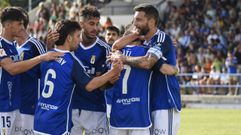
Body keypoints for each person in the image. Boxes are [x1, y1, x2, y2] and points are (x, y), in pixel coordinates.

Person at [33, 20, 122, 135]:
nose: (80, 40)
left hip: (39, 120)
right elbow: (90, 85)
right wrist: (113, 71)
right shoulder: (72, 61)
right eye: (77, 36)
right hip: (58, 124)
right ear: (69, 38)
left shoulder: (45, 57)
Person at [110, 4, 181, 135]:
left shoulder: (161, 38)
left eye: (138, 20)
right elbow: (116, 45)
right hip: (148, 103)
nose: (134, 23)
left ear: (152, 22)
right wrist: (135, 35)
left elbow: (148, 63)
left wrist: (123, 58)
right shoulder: (145, 43)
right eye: (134, 20)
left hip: (164, 102)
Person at [0, 7, 62, 135]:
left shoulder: (12, 45)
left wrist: (48, 47)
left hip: (16, 106)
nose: (22, 27)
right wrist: (41, 57)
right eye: (19, 24)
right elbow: (11, 69)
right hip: (3, 107)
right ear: (7, 25)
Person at [71, 5, 112, 135]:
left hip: (95, 108)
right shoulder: (71, 46)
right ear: (81, 23)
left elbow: (107, 83)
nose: (95, 28)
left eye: (97, 24)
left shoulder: (104, 49)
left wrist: (104, 81)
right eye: (91, 24)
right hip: (71, 107)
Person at [11, 7, 47, 135]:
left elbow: (46, 73)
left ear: (21, 24)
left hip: (31, 105)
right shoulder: (12, 46)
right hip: (14, 105)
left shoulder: (36, 45)